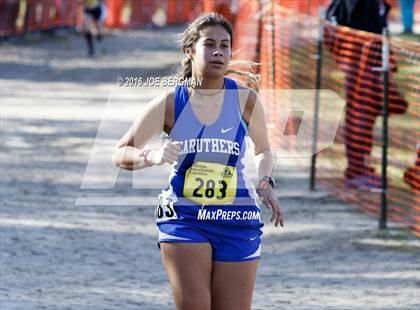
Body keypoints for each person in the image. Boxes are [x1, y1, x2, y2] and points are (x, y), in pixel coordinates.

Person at [112, 12, 284, 310]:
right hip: (184, 218)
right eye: (209, 44)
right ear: (190, 51)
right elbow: (121, 152)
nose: (218, 52)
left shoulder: (245, 100)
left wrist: (266, 181)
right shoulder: (170, 102)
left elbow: (263, 150)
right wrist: (150, 156)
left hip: (238, 219)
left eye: (225, 45)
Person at [326, 0, 408, 190]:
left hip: (371, 58)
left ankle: (360, 166)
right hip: (360, 59)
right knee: (360, 114)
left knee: (367, 113)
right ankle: (356, 171)